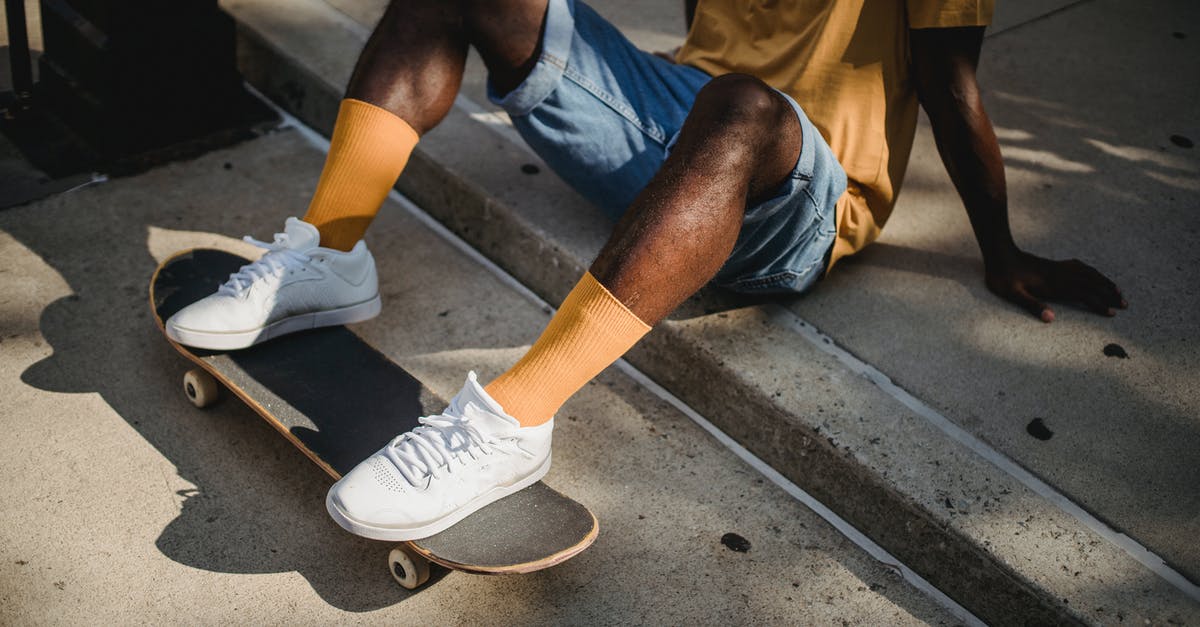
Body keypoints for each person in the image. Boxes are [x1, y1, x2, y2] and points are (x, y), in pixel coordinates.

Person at [165, 0, 1126, 541]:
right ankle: (330, 253)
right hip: (676, 119)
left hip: (796, 192)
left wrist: (1003, 254)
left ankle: (511, 423)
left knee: (744, 106)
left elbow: (952, 89)